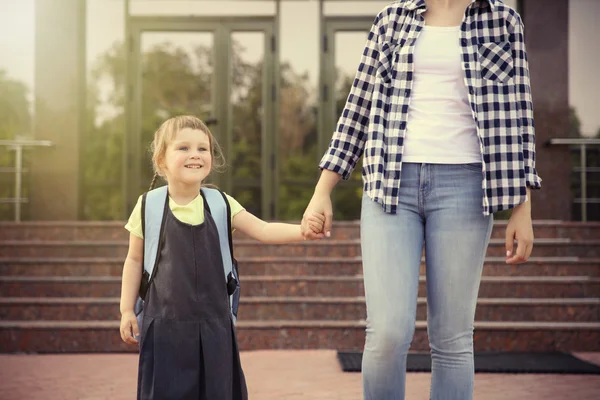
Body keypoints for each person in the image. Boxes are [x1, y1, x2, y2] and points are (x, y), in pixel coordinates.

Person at [301, 0, 542, 399]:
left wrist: (522, 206)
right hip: (390, 184)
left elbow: (520, 115)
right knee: (389, 332)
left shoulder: (502, 20)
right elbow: (358, 104)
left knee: (452, 337)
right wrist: (322, 190)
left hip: (466, 186)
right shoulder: (392, 19)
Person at [119, 115, 325, 400]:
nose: (195, 155)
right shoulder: (148, 206)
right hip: (164, 327)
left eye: (203, 149)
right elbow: (133, 260)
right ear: (161, 160)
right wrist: (127, 310)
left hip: (214, 327)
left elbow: (263, 230)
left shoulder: (221, 204)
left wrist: (302, 231)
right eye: (183, 148)